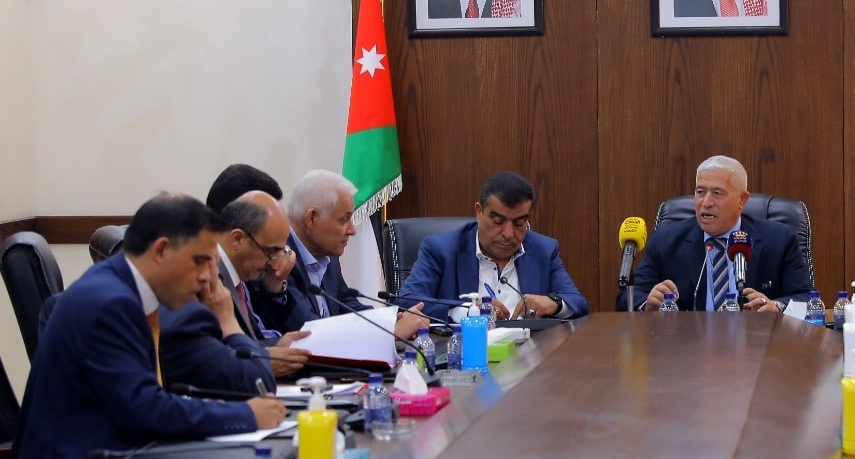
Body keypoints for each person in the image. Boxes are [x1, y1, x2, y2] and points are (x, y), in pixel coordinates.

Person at [12, 193, 287, 459]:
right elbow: (144, 409)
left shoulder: (123, 290)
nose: (207, 276)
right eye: (199, 261)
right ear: (161, 250)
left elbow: (138, 398)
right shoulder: (111, 303)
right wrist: (245, 414)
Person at [620, 155, 811, 312]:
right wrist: (647, 304)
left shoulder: (779, 240)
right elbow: (626, 299)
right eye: (700, 192)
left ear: (742, 200)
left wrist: (776, 306)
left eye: (717, 193)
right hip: (686, 344)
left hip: (755, 343)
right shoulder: (666, 240)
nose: (706, 202)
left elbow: (807, 299)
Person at [161, 191, 311, 390]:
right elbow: (203, 358)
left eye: (281, 250)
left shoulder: (241, 273)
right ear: (237, 239)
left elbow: (244, 342)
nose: (275, 263)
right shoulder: (206, 280)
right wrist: (263, 361)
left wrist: (275, 347)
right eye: (271, 251)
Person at [250, 170, 425, 340]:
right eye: (344, 219)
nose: (352, 230)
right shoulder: (277, 257)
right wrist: (389, 333)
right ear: (311, 218)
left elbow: (346, 305)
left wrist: (389, 322)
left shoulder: (327, 252)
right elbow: (308, 331)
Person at [399, 171, 588, 322]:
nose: (508, 233)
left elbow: (577, 302)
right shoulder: (441, 249)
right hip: (468, 351)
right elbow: (407, 301)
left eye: (519, 223)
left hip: (531, 352)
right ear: (479, 212)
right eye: (498, 221)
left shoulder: (544, 250)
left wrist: (553, 303)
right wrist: (468, 310)